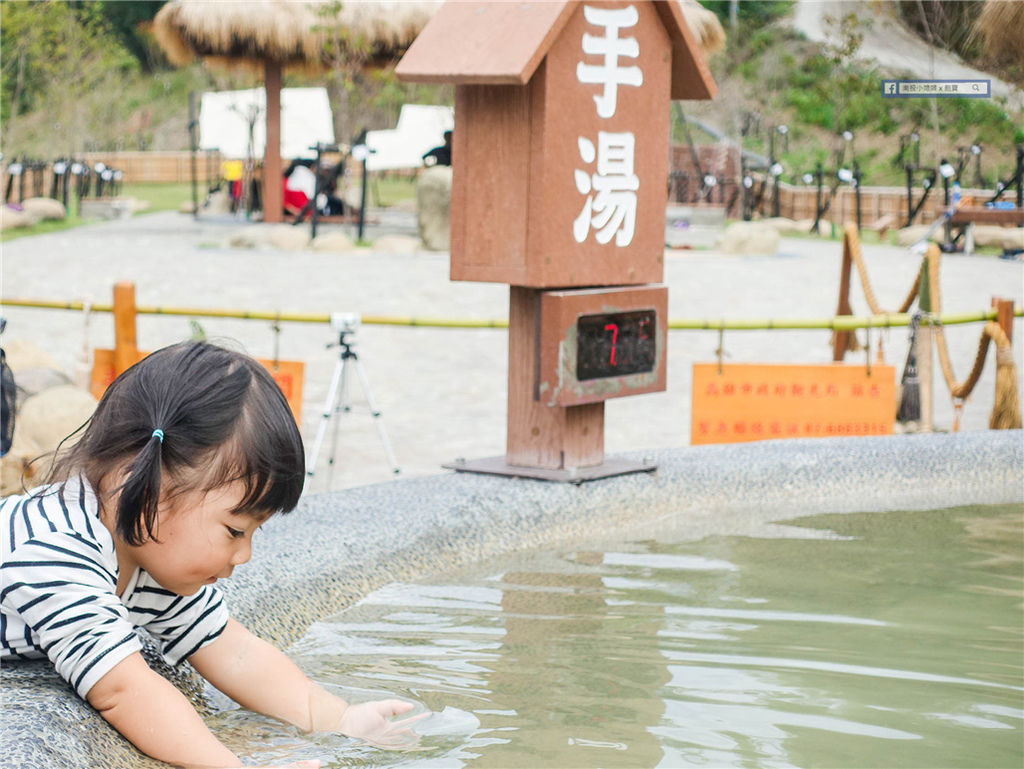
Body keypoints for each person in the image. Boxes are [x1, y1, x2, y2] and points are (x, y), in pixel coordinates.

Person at [0, 341, 424, 768]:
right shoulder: (53, 554)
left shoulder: (145, 549)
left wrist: (338, 719)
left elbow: (234, 652)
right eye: (235, 530)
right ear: (145, 488)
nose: (245, 556)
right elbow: (122, 690)